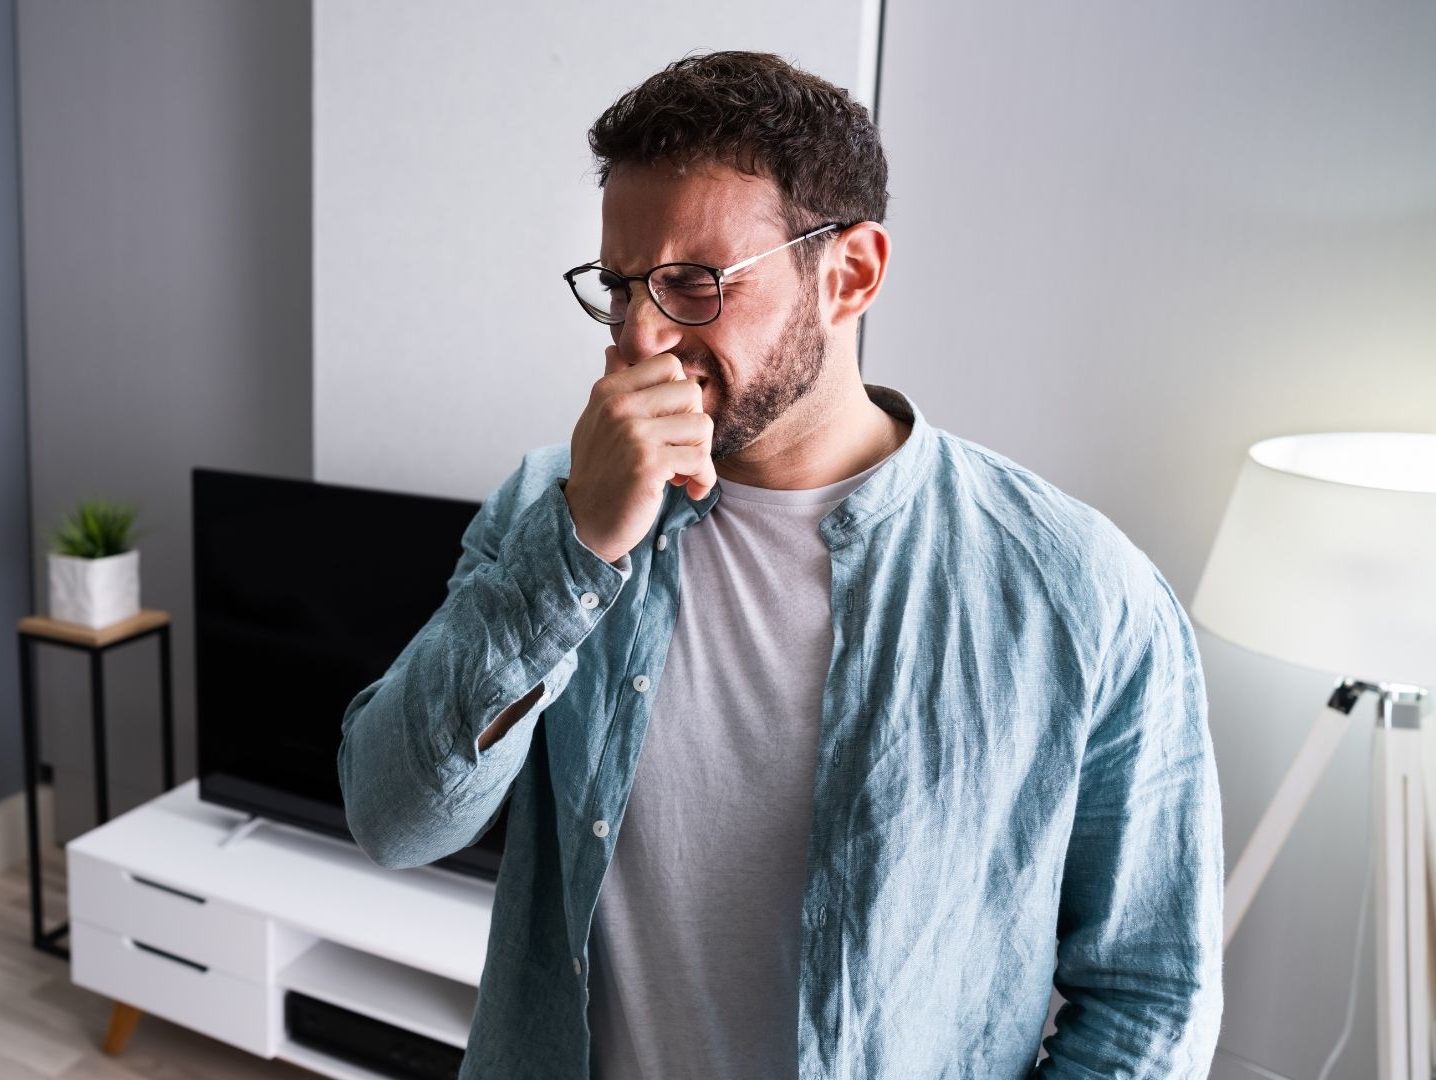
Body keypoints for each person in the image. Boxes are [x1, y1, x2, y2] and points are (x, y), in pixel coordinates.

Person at [337, 49, 1223, 1079]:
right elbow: (394, 821)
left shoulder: (1080, 589)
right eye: (621, 287)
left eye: (692, 284)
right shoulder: (552, 504)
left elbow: (1150, 994)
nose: (641, 338)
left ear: (849, 274)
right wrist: (576, 549)